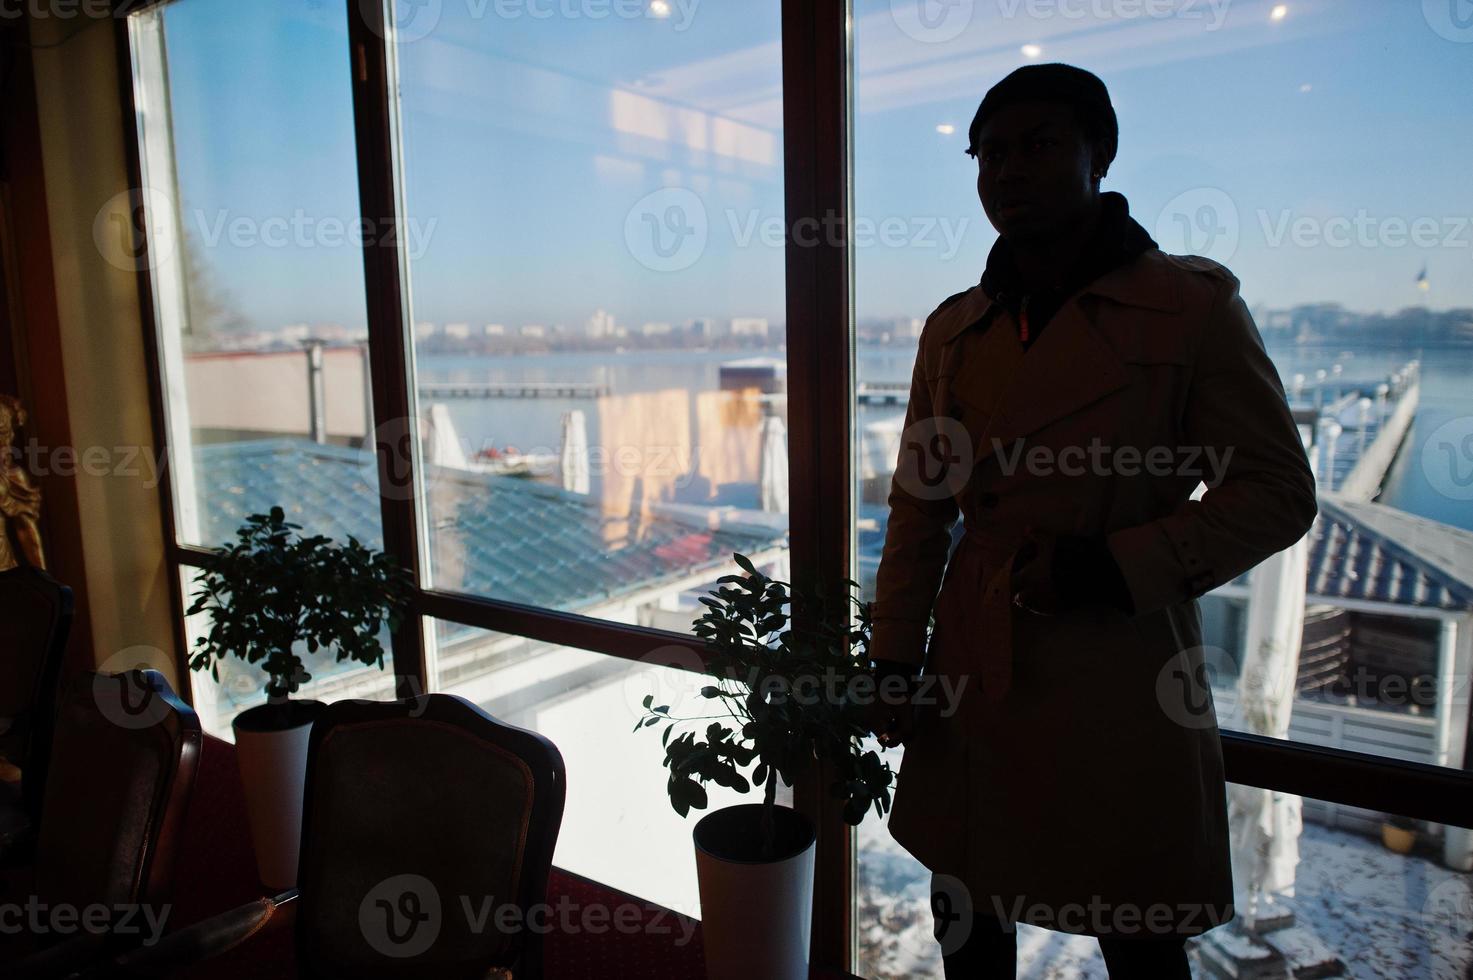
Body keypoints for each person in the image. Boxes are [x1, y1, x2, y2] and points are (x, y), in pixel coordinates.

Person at [859, 63, 1318, 978]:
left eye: (1039, 144)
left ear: (1098, 155)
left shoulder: (1190, 309)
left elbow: (1274, 490)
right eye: (989, 152)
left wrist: (1113, 565)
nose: (1009, 170)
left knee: (1137, 928)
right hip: (970, 664)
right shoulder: (953, 332)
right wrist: (894, 657)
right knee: (967, 915)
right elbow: (918, 510)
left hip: (1120, 660)